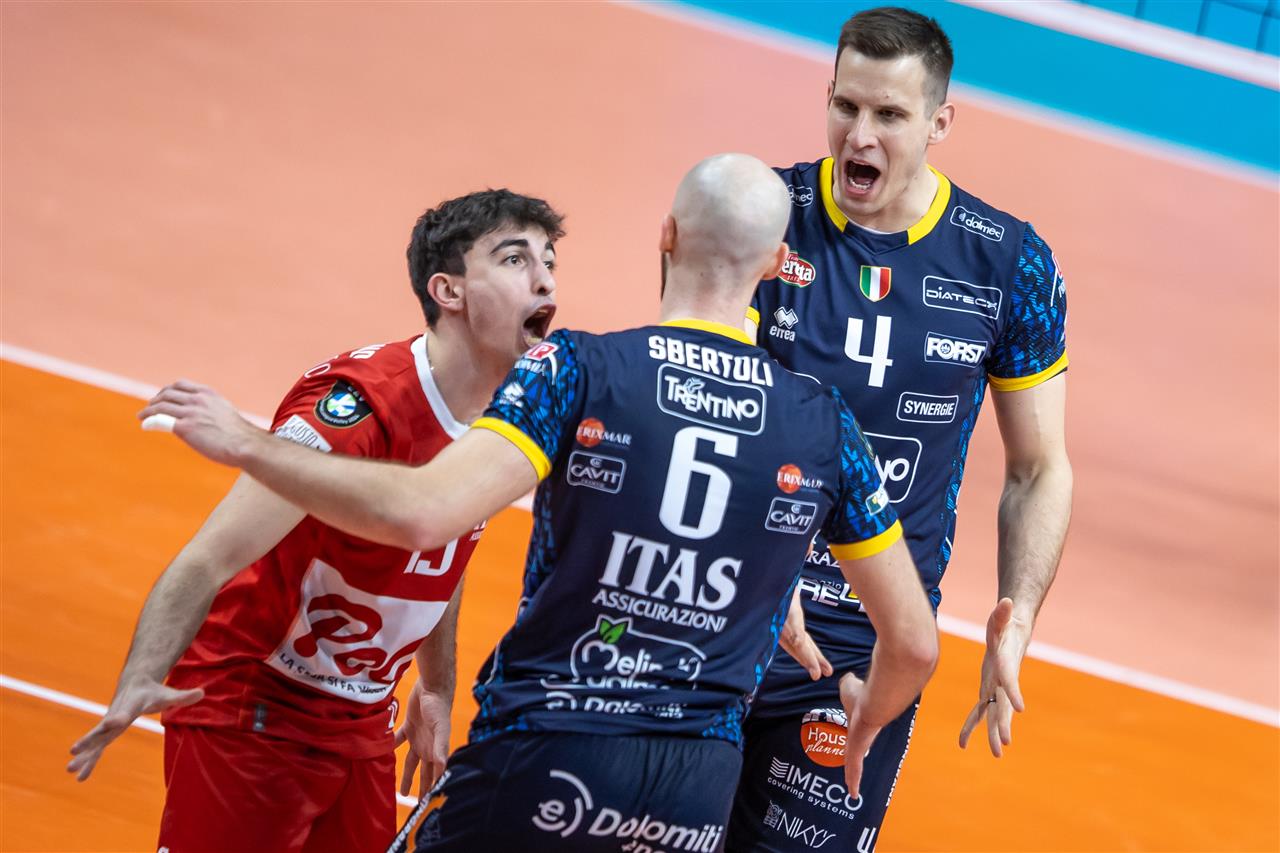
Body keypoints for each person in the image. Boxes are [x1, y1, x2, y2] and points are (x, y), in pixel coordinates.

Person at [137, 153, 939, 852]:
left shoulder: (576, 368)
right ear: (777, 264)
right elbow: (913, 643)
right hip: (694, 786)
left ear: (666, 236)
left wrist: (249, 444)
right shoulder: (826, 422)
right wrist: (867, 715)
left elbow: (425, 513)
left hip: (548, 746)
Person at [66, 189, 565, 853]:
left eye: (549, 261)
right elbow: (209, 557)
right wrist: (141, 672)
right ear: (448, 290)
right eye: (515, 259)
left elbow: (443, 536)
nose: (544, 279)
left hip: (359, 722)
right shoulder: (356, 409)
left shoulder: (507, 410)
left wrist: (437, 686)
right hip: (254, 709)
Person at [728, 7, 1074, 851]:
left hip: (866, 647)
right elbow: (706, 404)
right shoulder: (760, 215)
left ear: (939, 123)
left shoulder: (1008, 264)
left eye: (889, 114)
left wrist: (1018, 614)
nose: (860, 135)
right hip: (726, 604)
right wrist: (761, 565)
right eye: (846, 106)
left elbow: (1037, 469)